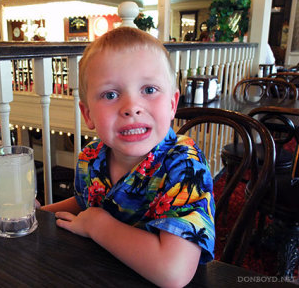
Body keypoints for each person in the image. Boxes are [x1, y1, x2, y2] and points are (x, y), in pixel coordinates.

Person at [40, 27, 215, 287]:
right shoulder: (91, 157)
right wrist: (38, 215)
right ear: (87, 114)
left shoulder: (184, 164)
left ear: (171, 105)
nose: (131, 106)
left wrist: (97, 225)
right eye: (110, 94)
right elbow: (85, 202)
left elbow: (173, 272)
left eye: (149, 89)